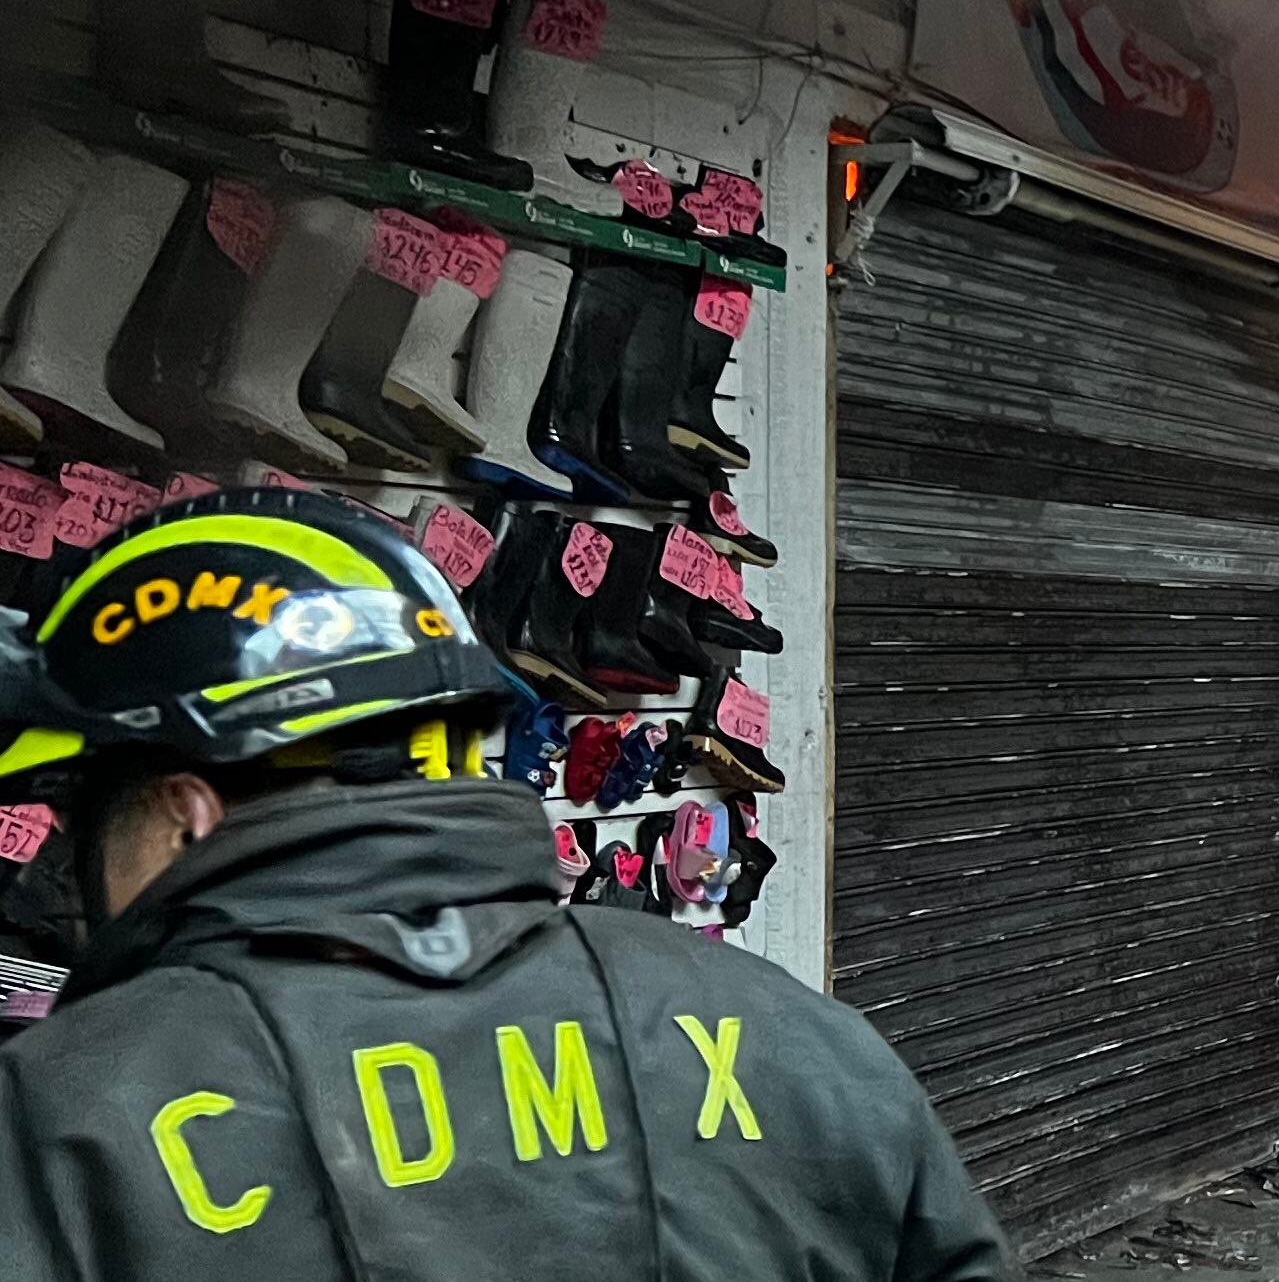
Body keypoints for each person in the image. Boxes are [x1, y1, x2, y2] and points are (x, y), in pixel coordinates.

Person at [0, 488, 1011, 1278]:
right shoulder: (789, 1033)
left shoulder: (61, 1120)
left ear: (189, 811)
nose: (74, 884)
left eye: (81, 826)